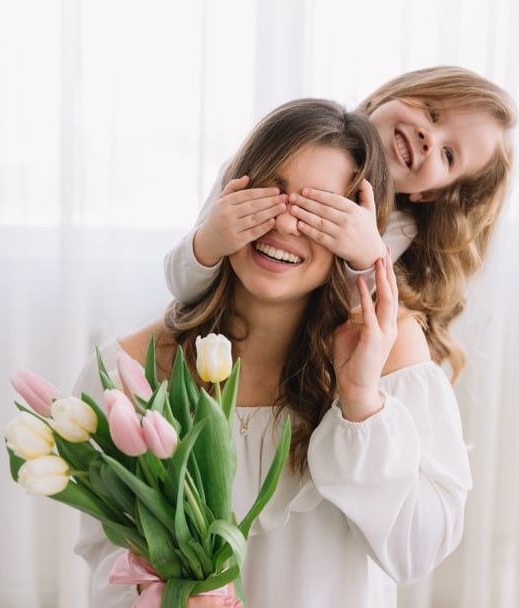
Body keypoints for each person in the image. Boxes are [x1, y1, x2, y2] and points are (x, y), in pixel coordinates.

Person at [74, 98, 472, 608]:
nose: (285, 225)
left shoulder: (392, 355)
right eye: (270, 195)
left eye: (318, 211)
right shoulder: (130, 373)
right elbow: (106, 556)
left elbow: (417, 553)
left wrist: (360, 399)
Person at [164, 65, 517, 379]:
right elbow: (183, 287)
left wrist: (365, 261)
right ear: (387, 95)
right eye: (432, 113)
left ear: (431, 195)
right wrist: (210, 241)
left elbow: (336, 325)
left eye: (449, 154)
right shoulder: (270, 157)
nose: (429, 138)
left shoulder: (395, 231)